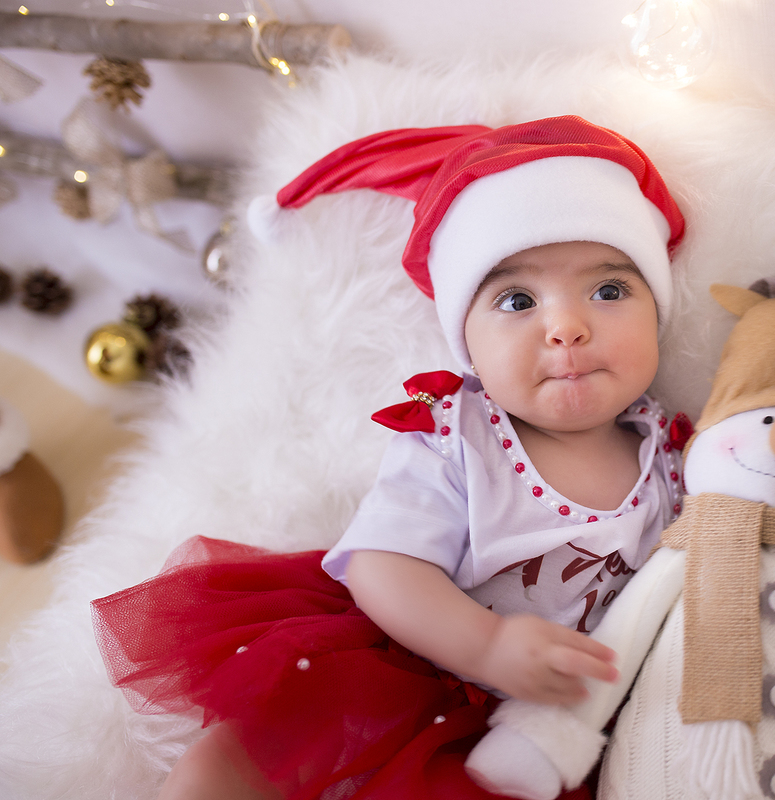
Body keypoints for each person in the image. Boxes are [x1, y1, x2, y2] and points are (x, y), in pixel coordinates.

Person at [91, 116, 689, 800]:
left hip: (533, 733)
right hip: (406, 664)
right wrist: (485, 646)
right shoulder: (459, 436)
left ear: (657, 312)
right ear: (465, 339)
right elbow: (382, 563)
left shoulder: (672, 464)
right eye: (517, 300)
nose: (566, 325)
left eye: (609, 291)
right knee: (237, 762)